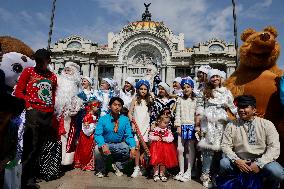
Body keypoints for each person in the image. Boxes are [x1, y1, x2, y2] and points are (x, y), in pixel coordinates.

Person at [220, 95, 284, 189]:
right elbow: (225, 146)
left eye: (245, 107)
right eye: (240, 107)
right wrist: (237, 160)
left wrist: (259, 163)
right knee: (224, 163)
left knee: (277, 172)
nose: (241, 110)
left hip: (263, 160)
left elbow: (274, 148)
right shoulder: (231, 125)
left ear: (254, 110)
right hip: (240, 160)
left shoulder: (267, 124)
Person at [14, 49, 57, 189]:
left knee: (39, 147)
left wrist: (52, 111)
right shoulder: (28, 72)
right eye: (37, 60)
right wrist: (29, 106)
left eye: (42, 60)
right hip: (33, 112)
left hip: (47, 114)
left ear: (48, 61)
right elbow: (19, 91)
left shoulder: (53, 77)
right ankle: (24, 180)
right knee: (29, 146)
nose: (38, 63)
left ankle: (31, 176)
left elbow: (52, 95)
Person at [195, 69, 237, 188]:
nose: (214, 79)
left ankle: (218, 175)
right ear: (209, 78)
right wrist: (199, 123)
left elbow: (232, 106)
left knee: (221, 150)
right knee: (208, 150)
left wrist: (239, 116)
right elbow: (199, 106)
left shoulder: (226, 91)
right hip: (207, 122)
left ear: (221, 78)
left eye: (217, 77)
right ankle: (205, 175)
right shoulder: (204, 91)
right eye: (212, 77)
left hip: (222, 123)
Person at [94, 97, 136, 177]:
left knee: (130, 151)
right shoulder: (103, 119)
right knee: (97, 149)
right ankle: (101, 170)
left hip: (119, 144)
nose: (117, 107)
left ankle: (117, 166)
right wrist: (103, 144)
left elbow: (129, 135)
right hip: (106, 144)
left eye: (119, 105)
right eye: (114, 105)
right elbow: (98, 134)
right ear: (110, 106)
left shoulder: (125, 119)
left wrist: (133, 147)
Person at [55, 61, 83, 166]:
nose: (66, 71)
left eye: (69, 70)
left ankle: (64, 160)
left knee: (66, 137)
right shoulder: (58, 80)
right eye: (65, 69)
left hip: (69, 117)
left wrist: (75, 108)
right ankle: (54, 160)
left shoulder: (77, 86)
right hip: (56, 114)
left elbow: (80, 100)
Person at [128, 79, 152, 178]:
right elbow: (130, 113)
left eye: (145, 89)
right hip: (137, 126)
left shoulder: (149, 100)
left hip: (146, 126)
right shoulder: (135, 100)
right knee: (137, 147)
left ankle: (142, 166)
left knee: (144, 147)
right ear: (138, 89)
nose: (143, 91)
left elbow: (150, 114)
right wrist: (132, 122)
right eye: (141, 89)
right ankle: (136, 167)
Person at [174, 77, 197, 182]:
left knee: (190, 148)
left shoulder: (196, 100)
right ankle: (181, 170)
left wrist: (197, 126)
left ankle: (189, 171)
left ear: (192, 88)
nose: (186, 89)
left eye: (188, 87)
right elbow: (177, 113)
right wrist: (178, 125)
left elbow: (197, 114)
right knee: (180, 148)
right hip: (182, 126)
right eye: (184, 87)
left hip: (191, 126)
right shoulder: (180, 99)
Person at [149, 115, 178, 182]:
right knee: (156, 162)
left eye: (167, 123)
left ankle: (162, 174)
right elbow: (150, 136)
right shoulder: (155, 129)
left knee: (163, 162)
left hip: (165, 149)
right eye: (165, 123)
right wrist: (155, 138)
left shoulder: (168, 130)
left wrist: (165, 139)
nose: (166, 124)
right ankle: (155, 174)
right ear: (159, 122)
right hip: (156, 148)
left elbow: (171, 138)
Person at [74, 100, 100, 171]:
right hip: (86, 136)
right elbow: (86, 129)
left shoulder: (94, 116)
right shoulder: (87, 116)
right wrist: (94, 126)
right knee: (86, 150)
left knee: (90, 150)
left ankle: (90, 163)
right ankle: (85, 164)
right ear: (93, 107)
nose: (98, 108)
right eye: (97, 107)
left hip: (91, 136)